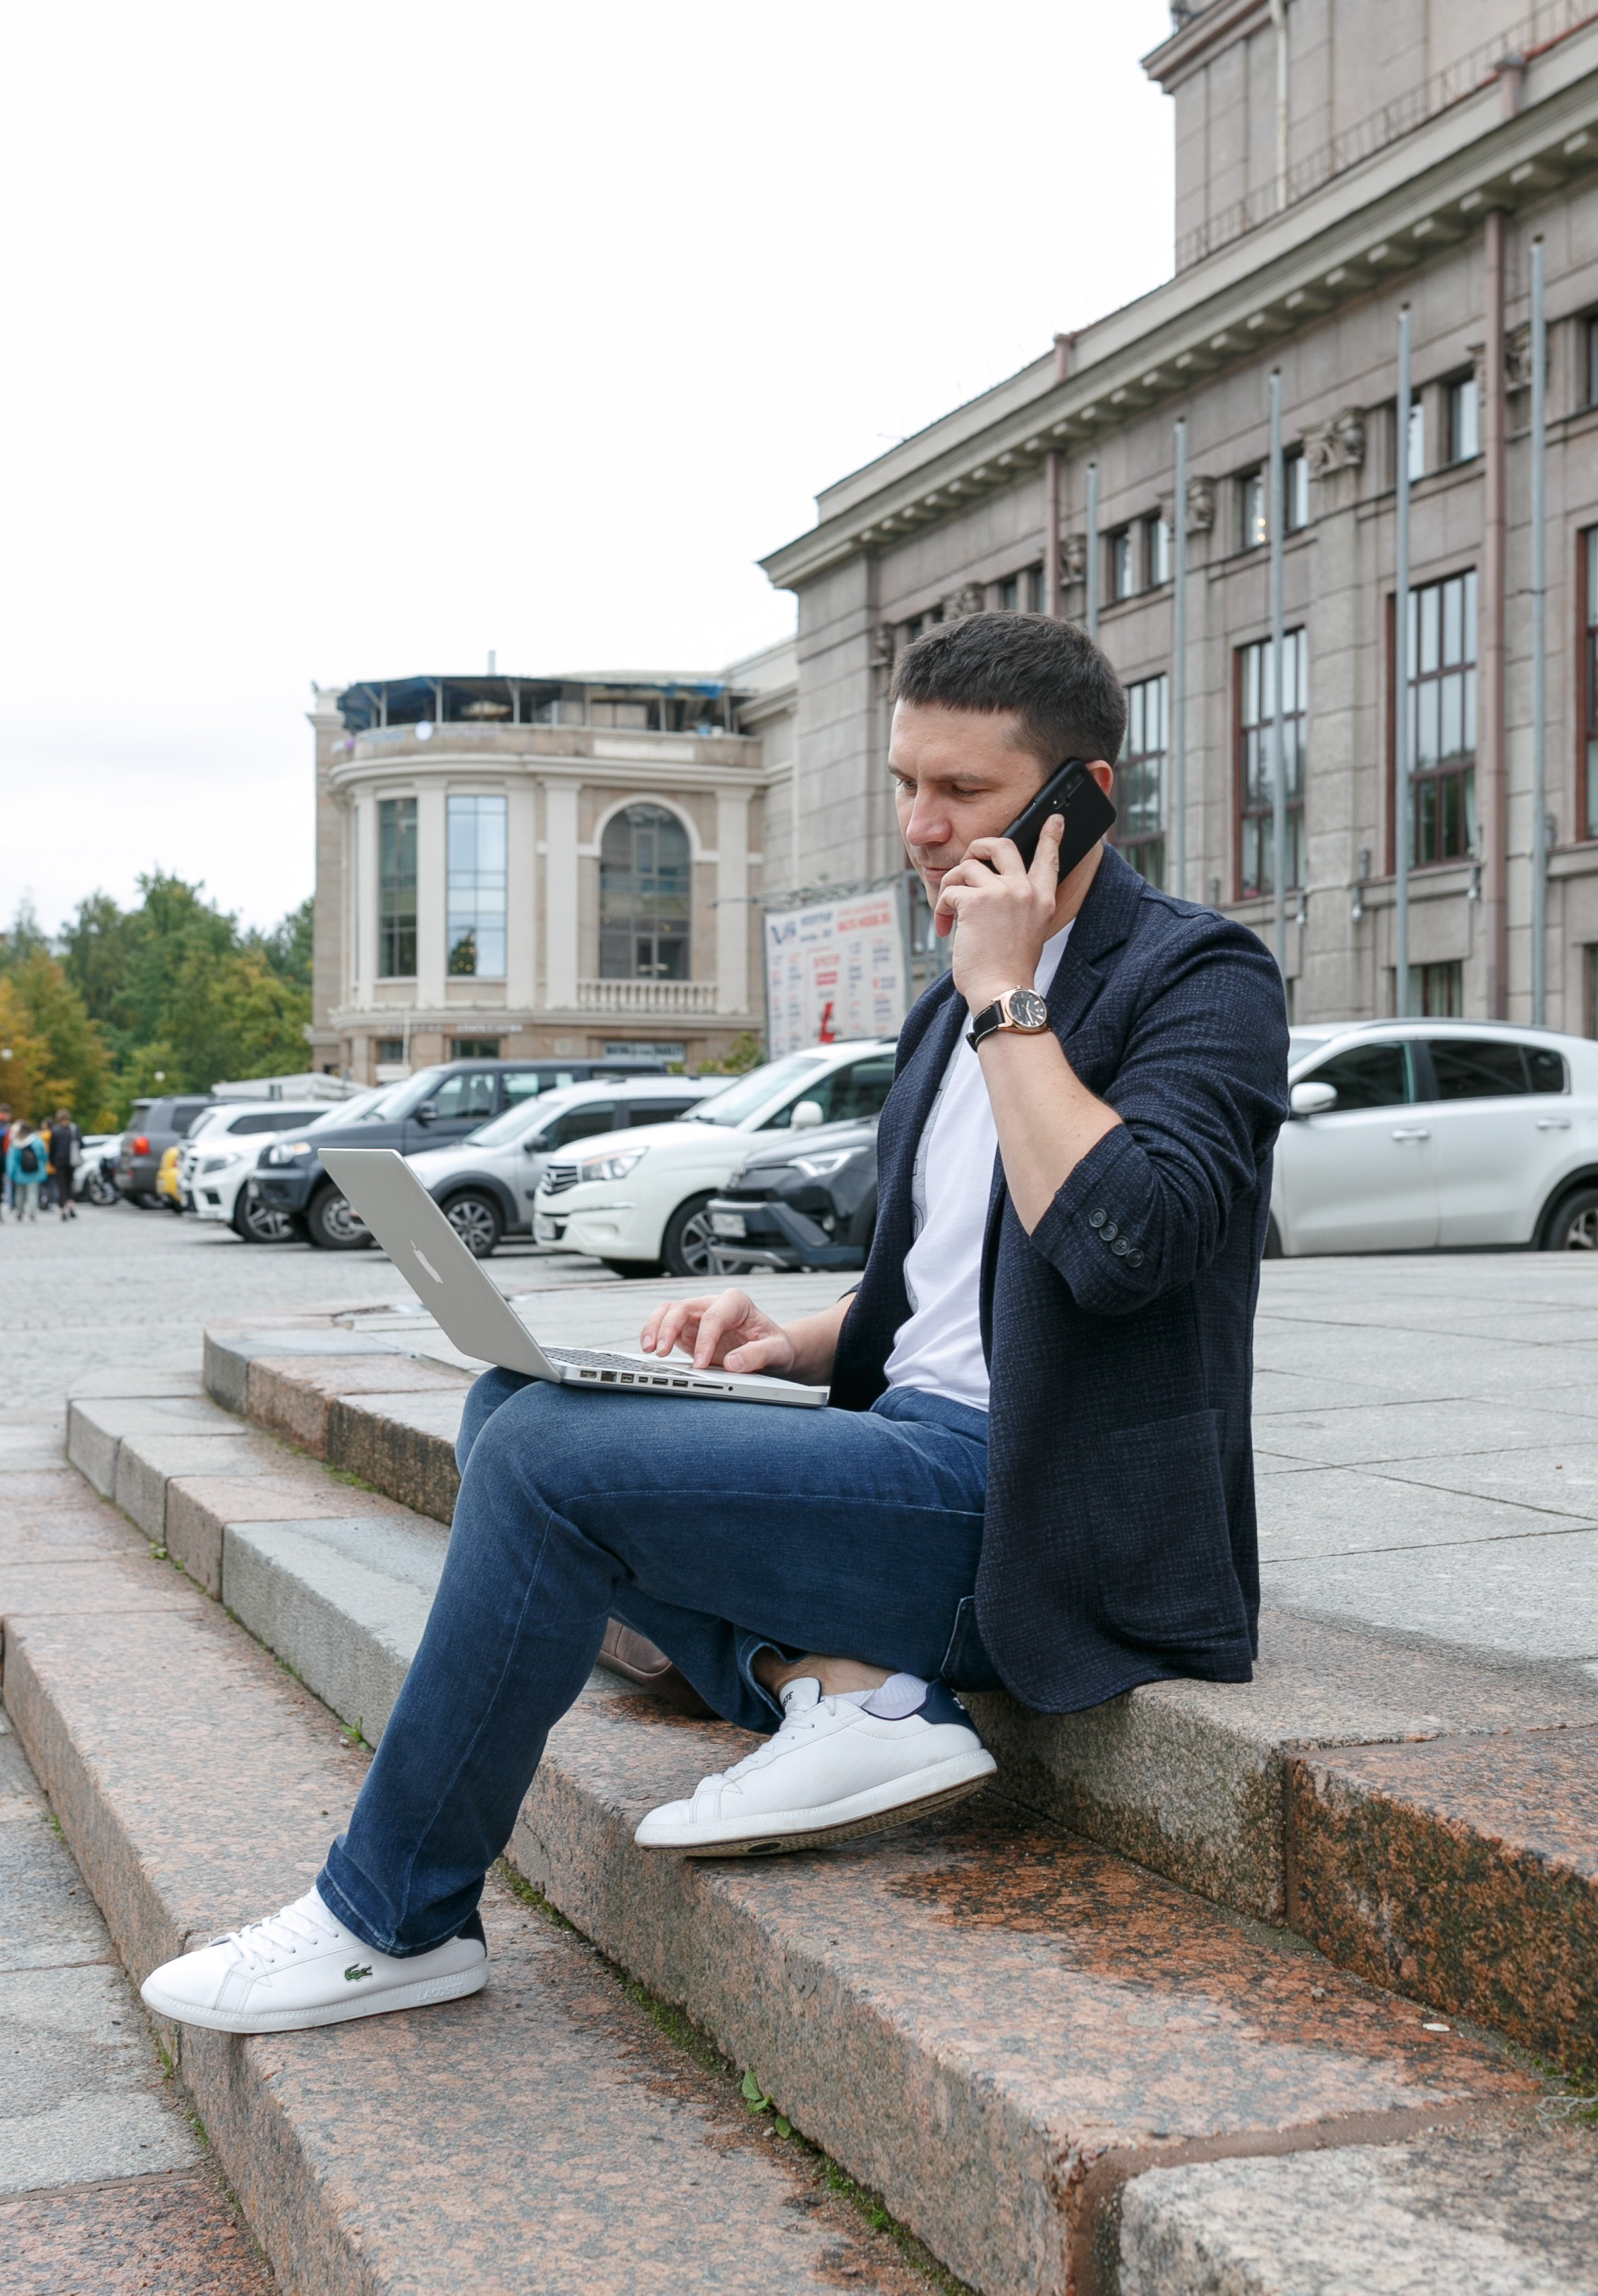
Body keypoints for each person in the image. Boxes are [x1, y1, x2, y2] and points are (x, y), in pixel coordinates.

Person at [143, 612, 1291, 2037]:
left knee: (551, 1462)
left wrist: (1009, 994)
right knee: (515, 1404)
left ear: (1084, 798)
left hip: (1053, 1515)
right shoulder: (949, 1006)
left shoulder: (1197, 977)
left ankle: (390, 1917)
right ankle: (842, 1686)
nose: (922, 828)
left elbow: (1127, 1246)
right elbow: (935, 1293)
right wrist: (784, 1342)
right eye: (902, 783)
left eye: (967, 793)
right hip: (921, 1451)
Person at [6, 1119, 48, 1222]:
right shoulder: (37, 1141)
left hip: (20, 1173)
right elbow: (44, 1156)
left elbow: (11, 1160)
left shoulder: (16, 1143)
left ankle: (20, 1213)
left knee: (19, 1193)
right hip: (35, 1172)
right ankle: (32, 1213)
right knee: (33, 1193)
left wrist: (10, 1174)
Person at [49, 1110, 82, 1221]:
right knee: (70, 1184)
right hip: (71, 1161)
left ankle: (63, 1210)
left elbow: (52, 1149)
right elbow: (81, 1144)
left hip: (59, 1162)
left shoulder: (56, 1131)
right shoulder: (74, 1129)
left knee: (61, 1186)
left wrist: (52, 1162)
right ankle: (71, 1207)